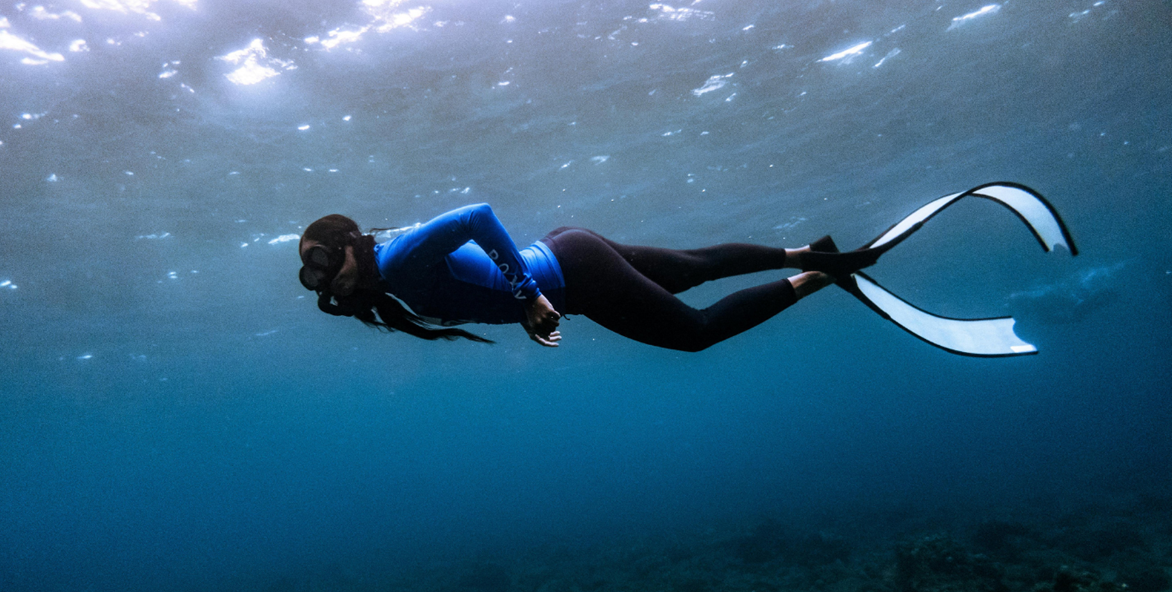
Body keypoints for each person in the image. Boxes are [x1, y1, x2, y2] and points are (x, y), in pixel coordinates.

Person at [297, 203, 879, 352]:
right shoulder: (390, 276)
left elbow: (476, 216)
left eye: (322, 260)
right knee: (692, 268)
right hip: (570, 254)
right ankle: (812, 254)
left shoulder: (396, 260)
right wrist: (526, 303)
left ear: (349, 243)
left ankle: (820, 275)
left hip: (575, 273)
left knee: (696, 332)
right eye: (310, 273)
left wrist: (529, 296)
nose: (322, 280)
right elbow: (474, 284)